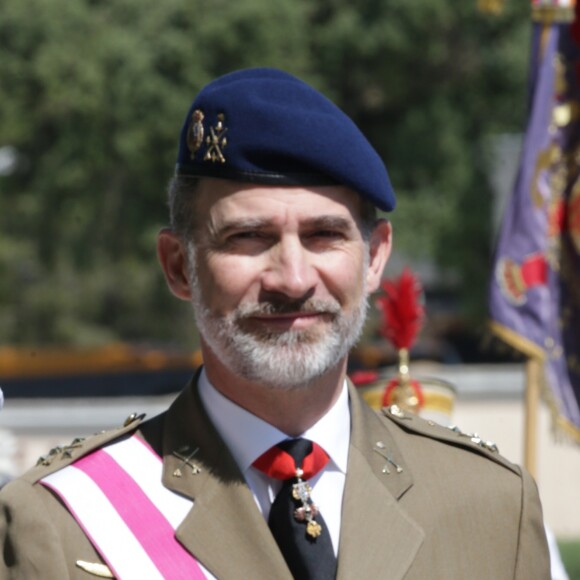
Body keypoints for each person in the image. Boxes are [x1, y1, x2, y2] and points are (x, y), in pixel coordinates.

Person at [0, 68, 550, 579]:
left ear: (376, 257)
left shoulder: (490, 505)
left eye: (324, 236)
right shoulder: (57, 523)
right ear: (178, 266)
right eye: (248, 237)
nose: (292, 278)